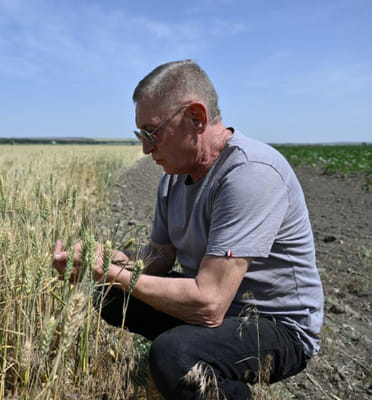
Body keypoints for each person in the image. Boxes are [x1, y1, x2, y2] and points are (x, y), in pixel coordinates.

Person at [53, 60, 324, 399]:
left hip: (275, 324)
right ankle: (195, 377)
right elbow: (160, 255)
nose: (145, 148)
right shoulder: (174, 178)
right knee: (109, 296)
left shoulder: (250, 174)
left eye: (152, 133)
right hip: (223, 303)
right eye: (141, 135)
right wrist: (101, 262)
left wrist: (114, 273)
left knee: (174, 354)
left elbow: (209, 305)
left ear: (196, 118)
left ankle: (193, 368)